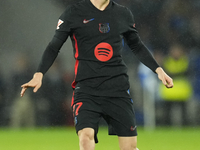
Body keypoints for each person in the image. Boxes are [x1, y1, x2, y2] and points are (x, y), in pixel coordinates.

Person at [20, 0, 173, 150]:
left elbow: (137, 45)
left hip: (117, 90)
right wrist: (39, 74)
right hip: (87, 90)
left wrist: (158, 69)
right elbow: (54, 46)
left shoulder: (123, 14)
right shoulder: (74, 13)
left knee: (129, 147)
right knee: (86, 138)